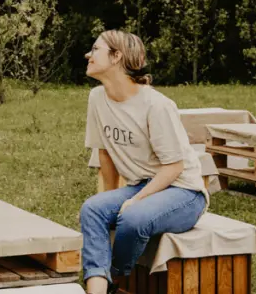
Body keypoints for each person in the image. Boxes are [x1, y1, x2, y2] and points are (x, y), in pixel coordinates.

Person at [80, 30, 209, 294]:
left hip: (184, 191)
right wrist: (110, 201)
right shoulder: (97, 98)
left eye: (95, 49)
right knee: (92, 209)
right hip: (142, 185)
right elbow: (105, 154)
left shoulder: (156, 105)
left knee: (133, 216)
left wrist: (136, 200)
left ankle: (113, 280)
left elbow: (174, 166)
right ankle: (95, 290)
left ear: (117, 57)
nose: (88, 55)